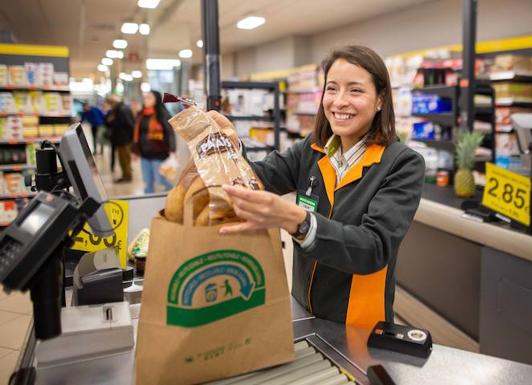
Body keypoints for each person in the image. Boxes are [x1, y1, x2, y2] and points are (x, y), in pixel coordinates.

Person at [218, 45, 425, 330]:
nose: (339, 101)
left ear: (380, 100)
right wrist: (228, 146)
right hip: (303, 311)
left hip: (359, 325)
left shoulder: (401, 164)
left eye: (355, 91)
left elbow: (373, 248)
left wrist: (296, 220)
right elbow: (257, 178)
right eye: (332, 89)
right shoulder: (313, 149)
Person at [132, 90, 176, 193]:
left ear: (156, 99)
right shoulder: (141, 114)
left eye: (149, 97)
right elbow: (136, 133)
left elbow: (170, 133)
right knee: (147, 181)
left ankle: (172, 193)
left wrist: (173, 150)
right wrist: (134, 150)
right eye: (145, 97)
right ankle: (148, 201)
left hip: (159, 153)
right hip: (144, 153)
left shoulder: (163, 114)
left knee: (160, 179)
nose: (146, 99)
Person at [104, 95, 134, 183]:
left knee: (124, 158)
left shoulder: (121, 109)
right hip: (122, 138)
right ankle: (126, 175)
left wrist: (130, 137)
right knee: (123, 158)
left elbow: (128, 124)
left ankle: (127, 176)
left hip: (123, 139)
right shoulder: (120, 109)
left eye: (110, 103)